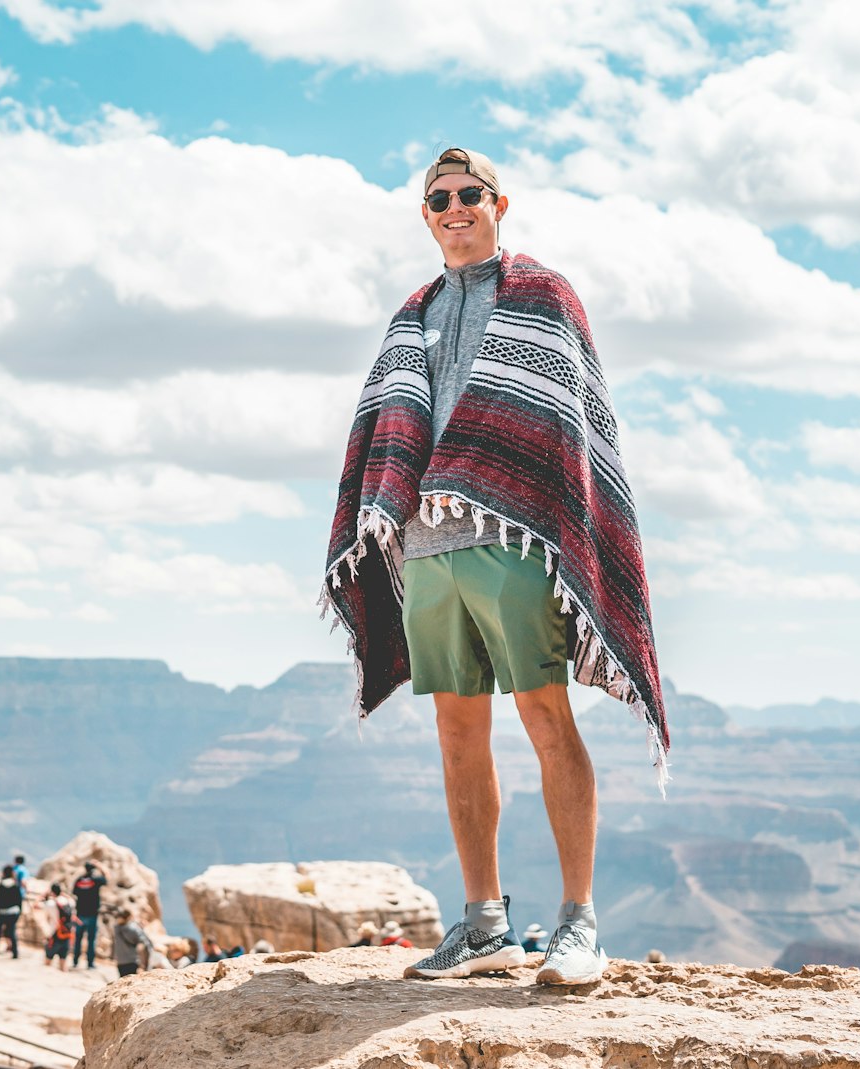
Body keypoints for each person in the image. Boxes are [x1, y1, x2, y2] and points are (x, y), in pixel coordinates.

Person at [319, 146, 668, 987]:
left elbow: (571, 419)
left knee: (546, 715)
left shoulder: (543, 292)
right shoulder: (416, 311)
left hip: (513, 539)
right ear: (428, 215)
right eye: (439, 199)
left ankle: (578, 926)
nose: (454, 207)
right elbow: (389, 425)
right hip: (428, 548)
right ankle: (484, 927)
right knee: (456, 731)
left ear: (499, 203)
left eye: (469, 193)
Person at [70, 862, 107, 969]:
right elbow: (106, 879)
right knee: (91, 940)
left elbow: (74, 893)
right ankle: (90, 963)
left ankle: (75, 961)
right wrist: (100, 866)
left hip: (80, 913)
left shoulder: (79, 880)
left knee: (78, 939)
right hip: (92, 914)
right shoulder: (96, 880)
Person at [0, 864, 23, 959]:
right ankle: (15, 953)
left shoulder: (2, 884)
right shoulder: (15, 884)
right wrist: (20, 911)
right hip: (13, 912)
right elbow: (19, 899)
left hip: (2, 912)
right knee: (12, 933)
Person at [111, 909, 156, 978]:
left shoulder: (133, 929)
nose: (118, 918)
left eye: (120, 916)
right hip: (120, 960)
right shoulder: (117, 927)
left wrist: (143, 964)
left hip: (132, 961)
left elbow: (143, 944)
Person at [41, 883, 74, 971]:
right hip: (66, 934)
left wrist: (45, 895)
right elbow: (72, 900)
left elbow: (37, 907)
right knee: (63, 962)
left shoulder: (50, 903)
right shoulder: (69, 902)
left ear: (52, 891)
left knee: (48, 961)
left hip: (54, 934)